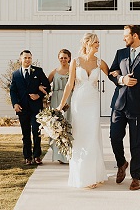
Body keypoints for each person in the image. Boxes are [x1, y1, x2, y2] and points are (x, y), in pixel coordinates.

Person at [108, 25, 140, 191]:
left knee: (136, 142)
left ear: (135, 36)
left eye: (126, 35)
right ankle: (121, 162)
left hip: (139, 105)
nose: (124, 38)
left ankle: (136, 177)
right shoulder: (120, 53)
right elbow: (111, 72)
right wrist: (122, 79)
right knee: (115, 137)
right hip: (119, 104)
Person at [57, 33, 109, 188]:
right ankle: (83, 175)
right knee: (80, 136)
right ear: (88, 43)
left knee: (92, 136)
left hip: (93, 103)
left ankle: (95, 174)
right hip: (78, 103)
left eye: (98, 42)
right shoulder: (76, 61)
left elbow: (114, 75)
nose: (98, 45)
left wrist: (124, 79)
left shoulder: (100, 62)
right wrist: (61, 105)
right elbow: (69, 85)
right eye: (96, 42)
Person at [10, 50, 51, 165]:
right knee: (26, 133)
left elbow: (47, 86)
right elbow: (13, 91)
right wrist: (15, 104)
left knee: (36, 131)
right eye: (25, 58)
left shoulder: (38, 71)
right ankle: (27, 157)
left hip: (35, 108)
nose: (27, 60)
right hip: (22, 108)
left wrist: (39, 95)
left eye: (29, 58)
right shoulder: (16, 74)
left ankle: (37, 156)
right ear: (20, 60)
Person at [48, 48, 72, 164]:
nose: (63, 59)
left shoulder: (73, 71)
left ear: (69, 58)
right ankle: (59, 155)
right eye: (61, 57)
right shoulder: (54, 71)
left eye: (65, 57)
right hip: (56, 100)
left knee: (68, 125)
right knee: (57, 126)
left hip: (69, 99)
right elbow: (46, 85)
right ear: (58, 58)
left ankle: (69, 154)